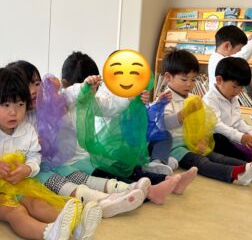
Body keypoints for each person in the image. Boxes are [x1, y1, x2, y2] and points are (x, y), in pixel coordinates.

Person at [0, 67, 101, 240]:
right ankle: (47, 233)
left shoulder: (27, 130)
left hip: (21, 184)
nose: (14, 112)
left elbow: (34, 156)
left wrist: (28, 169)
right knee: (16, 212)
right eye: (6, 105)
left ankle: (77, 228)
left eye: (20, 104)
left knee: (38, 204)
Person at [6, 60, 145, 218]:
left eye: (37, 84)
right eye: (26, 86)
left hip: (59, 162)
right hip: (37, 169)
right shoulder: (17, 116)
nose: (34, 91)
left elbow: (70, 95)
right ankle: (102, 200)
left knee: (78, 175)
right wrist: (30, 145)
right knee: (60, 181)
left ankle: (122, 190)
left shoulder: (50, 103)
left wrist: (84, 87)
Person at [59, 52, 197, 202]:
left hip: (93, 154)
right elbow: (70, 95)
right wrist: (82, 87)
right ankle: (150, 191)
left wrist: (133, 96)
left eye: (94, 88)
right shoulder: (61, 100)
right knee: (110, 176)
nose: (91, 91)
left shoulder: (93, 100)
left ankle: (168, 180)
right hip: (77, 161)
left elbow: (111, 106)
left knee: (126, 168)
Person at [151, 49, 252, 186]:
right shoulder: (165, 99)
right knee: (201, 162)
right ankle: (235, 173)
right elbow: (164, 123)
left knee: (217, 156)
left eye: (193, 79)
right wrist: (184, 114)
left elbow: (203, 123)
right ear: (168, 77)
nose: (189, 84)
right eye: (184, 79)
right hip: (175, 147)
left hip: (193, 142)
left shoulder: (193, 98)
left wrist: (202, 139)